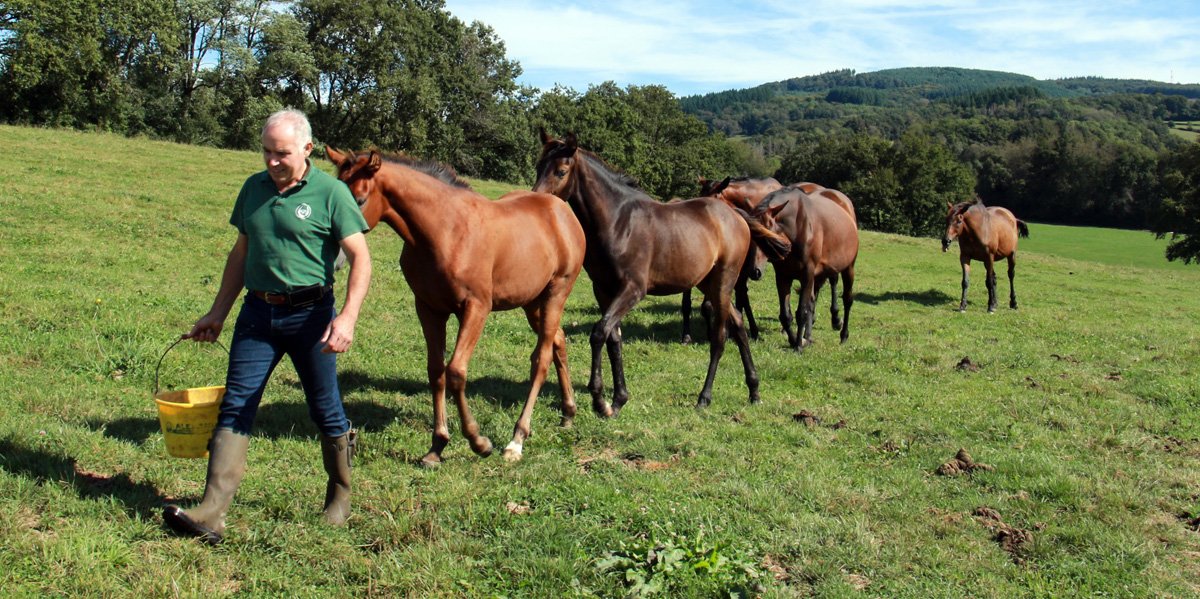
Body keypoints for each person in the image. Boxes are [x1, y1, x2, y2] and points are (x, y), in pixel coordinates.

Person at [163, 109, 372, 545]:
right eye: (266, 152)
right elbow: (241, 253)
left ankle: (340, 494)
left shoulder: (331, 193)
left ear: (307, 149)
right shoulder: (253, 188)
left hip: (312, 318)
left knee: (325, 408)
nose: (273, 161)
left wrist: (347, 317)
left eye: (282, 153)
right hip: (258, 315)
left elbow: (361, 258)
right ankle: (212, 512)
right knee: (237, 404)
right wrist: (217, 312)